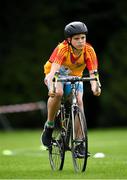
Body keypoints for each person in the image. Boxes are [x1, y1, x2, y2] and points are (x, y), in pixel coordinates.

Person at [41, 21, 101, 153]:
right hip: (56, 74)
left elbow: (93, 74)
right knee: (58, 93)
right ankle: (49, 126)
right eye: (76, 38)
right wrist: (51, 87)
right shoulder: (62, 49)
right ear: (69, 40)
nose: (81, 41)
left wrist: (95, 87)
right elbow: (53, 71)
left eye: (83, 38)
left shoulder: (89, 50)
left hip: (75, 76)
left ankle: (79, 143)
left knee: (79, 102)